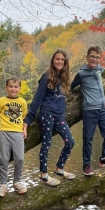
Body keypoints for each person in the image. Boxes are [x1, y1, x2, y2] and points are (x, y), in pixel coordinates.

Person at [23, 49, 75, 186]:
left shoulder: (64, 78)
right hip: (47, 113)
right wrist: (27, 120)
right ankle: (44, 174)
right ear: (53, 60)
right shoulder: (46, 77)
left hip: (59, 115)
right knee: (47, 143)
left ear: (65, 62)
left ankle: (59, 169)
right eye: (57, 59)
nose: (60, 62)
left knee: (70, 142)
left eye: (62, 60)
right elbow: (37, 99)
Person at [71, 45, 105, 176]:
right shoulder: (81, 73)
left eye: (97, 57)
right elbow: (70, 87)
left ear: (100, 59)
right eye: (92, 56)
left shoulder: (100, 70)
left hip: (102, 109)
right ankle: (86, 165)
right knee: (88, 138)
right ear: (87, 57)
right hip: (89, 110)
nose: (94, 59)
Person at [0, 76, 28, 197]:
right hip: (4, 133)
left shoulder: (23, 102)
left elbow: (25, 117)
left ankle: (17, 181)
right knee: (3, 159)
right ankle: (3, 184)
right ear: (6, 88)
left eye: (16, 87)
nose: (13, 89)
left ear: (19, 88)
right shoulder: (1, 101)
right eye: (11, 86)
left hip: (17, 133)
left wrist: (25, 128)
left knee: (19, 158)